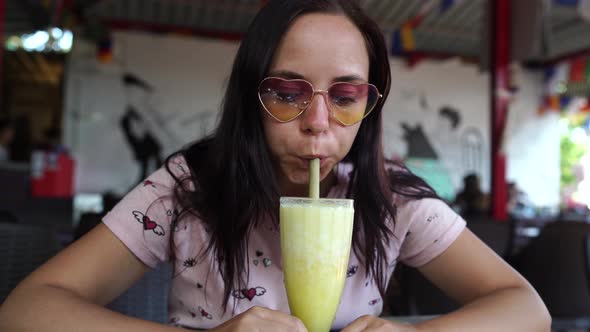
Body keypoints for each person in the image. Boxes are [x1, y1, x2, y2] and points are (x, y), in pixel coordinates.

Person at [0, 1, 550, 331]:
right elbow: (26, 310)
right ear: (249, 98)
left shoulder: (393, 199)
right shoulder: (187, 189)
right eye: (287, 93)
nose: (317, 121)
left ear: (370, 103)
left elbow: (527, 309)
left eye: (346, 95)